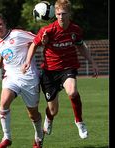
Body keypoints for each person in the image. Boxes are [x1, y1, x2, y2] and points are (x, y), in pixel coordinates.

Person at [21, 0, 99, 140]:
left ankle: (79, 122)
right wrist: (27, 61)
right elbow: (34, 45)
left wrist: (92, 62)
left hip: (68, 68)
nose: (61, 16)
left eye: (64, 13)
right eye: (58, 14)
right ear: (55, 14)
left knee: (72, 91)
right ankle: (49, 118)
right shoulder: (47, 31)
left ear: (69, 14)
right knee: (53, 109)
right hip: (49, 72)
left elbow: (81, 46)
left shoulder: (75, 30)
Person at [0, 11, 44, 148]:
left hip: (29, 78)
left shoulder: (17, 34)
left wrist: (44, 40)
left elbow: (37, 40)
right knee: (3, 103)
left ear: (5, 24)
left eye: (0, 24)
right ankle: (7, 137)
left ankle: (39, 137)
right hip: (11, 77)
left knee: (33, 114)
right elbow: (2, 53)